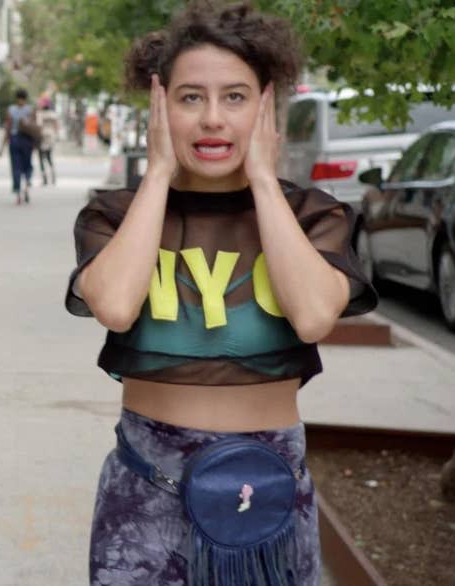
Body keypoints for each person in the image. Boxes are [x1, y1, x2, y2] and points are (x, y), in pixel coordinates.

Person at [65, 2, 378, 585]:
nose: (213, 118)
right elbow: (113, 305)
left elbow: (312, 317)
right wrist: (157, 174)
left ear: (266, 106)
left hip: (267, 493)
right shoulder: (114, 215)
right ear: (160, 106)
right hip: (144, 491)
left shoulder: (312, 215)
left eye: (235, 97)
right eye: (190, 98)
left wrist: (263, 180)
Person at [0, 88, 35, 204]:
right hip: (27, 140)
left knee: (16, 167)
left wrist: (2, 147)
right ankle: (27, 185)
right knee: (27, 165)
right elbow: (34, 128)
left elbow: (8, 128)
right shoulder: (30, 110)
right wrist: (35, 143)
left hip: (14, 139)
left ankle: (18, 192)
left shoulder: (11, 110)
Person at [36, 96, 58, 185]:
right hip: (51, 137)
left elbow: (38, 126)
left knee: (41, 158)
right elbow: (56, 126)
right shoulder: (53, 114)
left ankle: (44, 178)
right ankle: (53, 175)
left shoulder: (40, 114)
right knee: (49, 157)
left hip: (42, 137)